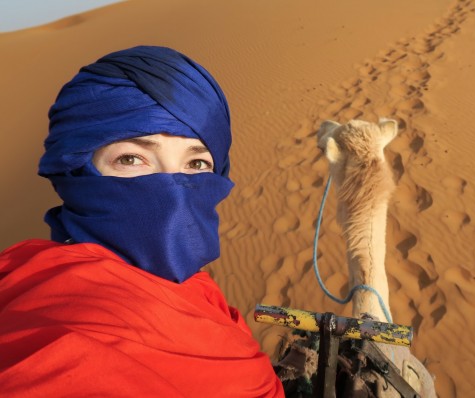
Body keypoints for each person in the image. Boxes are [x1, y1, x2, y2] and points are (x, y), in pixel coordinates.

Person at [0, 46, 284, 397]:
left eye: (196, 164)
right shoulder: (62, 332)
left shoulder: (199, 292)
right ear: (76, 171)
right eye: (132, 158)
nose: (173, 193)